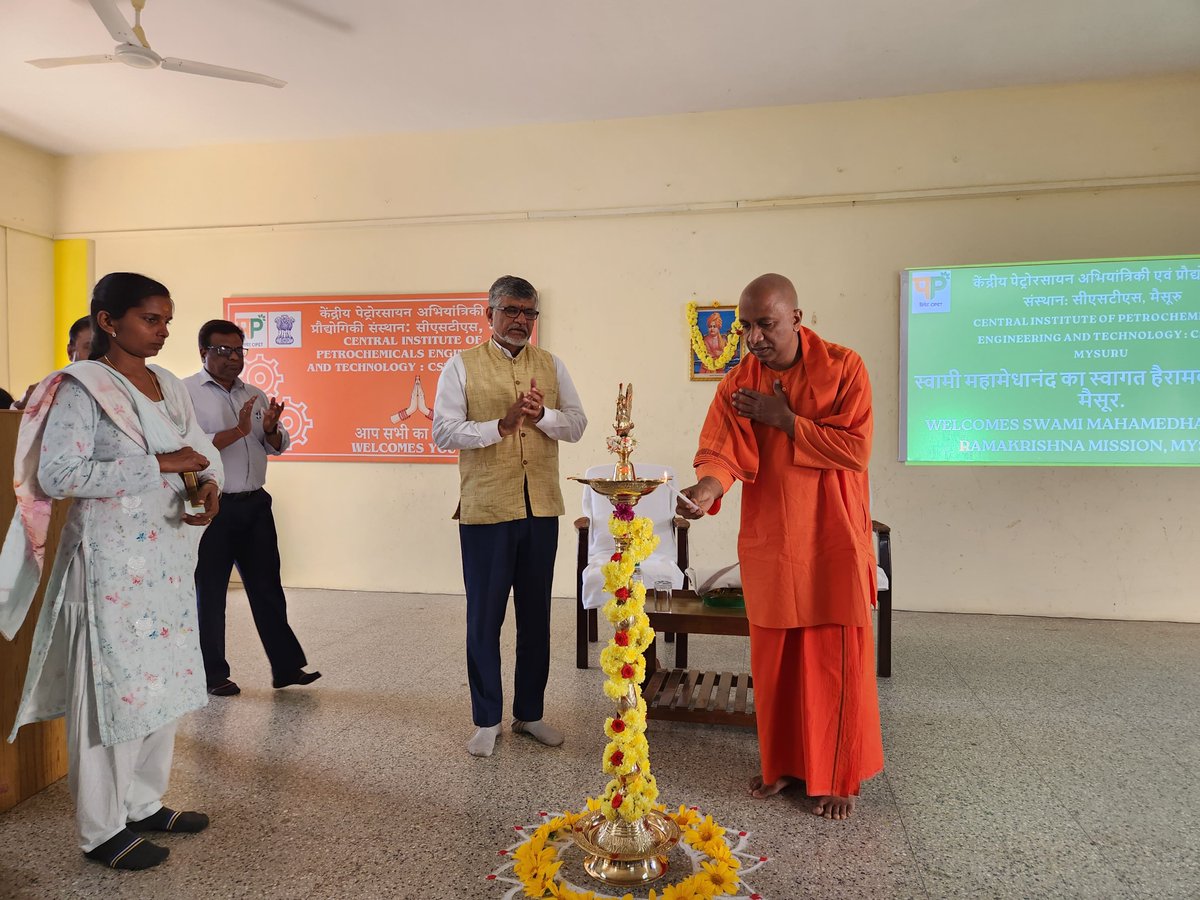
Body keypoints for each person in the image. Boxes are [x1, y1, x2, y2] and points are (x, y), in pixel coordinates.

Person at [0, 272, 222, 869]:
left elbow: (203, 450)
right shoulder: (80, 388)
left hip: (168, 561)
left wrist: (207, 486)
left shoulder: (168, 385)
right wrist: (161, 465)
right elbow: (60, 476)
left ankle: (145, 803)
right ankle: (102, 831)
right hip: (108, 566)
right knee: (111, 694)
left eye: (167, 319)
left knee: (165, 685)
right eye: (151, 318)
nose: (163, 330)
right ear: (107, 320)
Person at [677, 273, 883, 820]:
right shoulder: (739, 383)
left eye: (764, 324)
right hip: (774, 541)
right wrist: (703, 491)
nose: (753, 338)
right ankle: (784, 767)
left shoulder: (844, 367)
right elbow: (720, 452)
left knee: (830, 662)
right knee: (777, 663)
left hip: (832, 538)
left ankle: (836, 776)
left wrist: (787, 422)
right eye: (746, 326)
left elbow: (855, 449)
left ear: (796, 317)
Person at [432, 275, 587, 758]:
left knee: (537, 615)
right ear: (490, 314)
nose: (521, 321)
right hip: (487, 509)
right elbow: (443, 432)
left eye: (529, 313)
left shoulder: (552, 365)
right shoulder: (460, 367)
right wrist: (500, 425)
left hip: (540, 506)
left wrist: (542, 417)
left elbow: (578, 425)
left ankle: (530, 714)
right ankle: (485, 719)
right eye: (512, 311)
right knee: (485, 617)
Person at [184, 320, 319, 697]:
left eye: (238, 351)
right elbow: (191, 449)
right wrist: (240, 430)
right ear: (203, 353)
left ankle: (287, 667)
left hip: (255, 504)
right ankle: (212, 675)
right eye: (223, 351)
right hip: (212, 506)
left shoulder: (256, 394)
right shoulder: (185, 394)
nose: (232, 358)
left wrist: (271, 428)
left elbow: (274, 445)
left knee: (267, 587)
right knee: (210, 592)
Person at [13, 316, 94, 411]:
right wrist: (23, 405)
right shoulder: (47, 394)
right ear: (70, 352)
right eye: (90, 348)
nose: (100, 357)